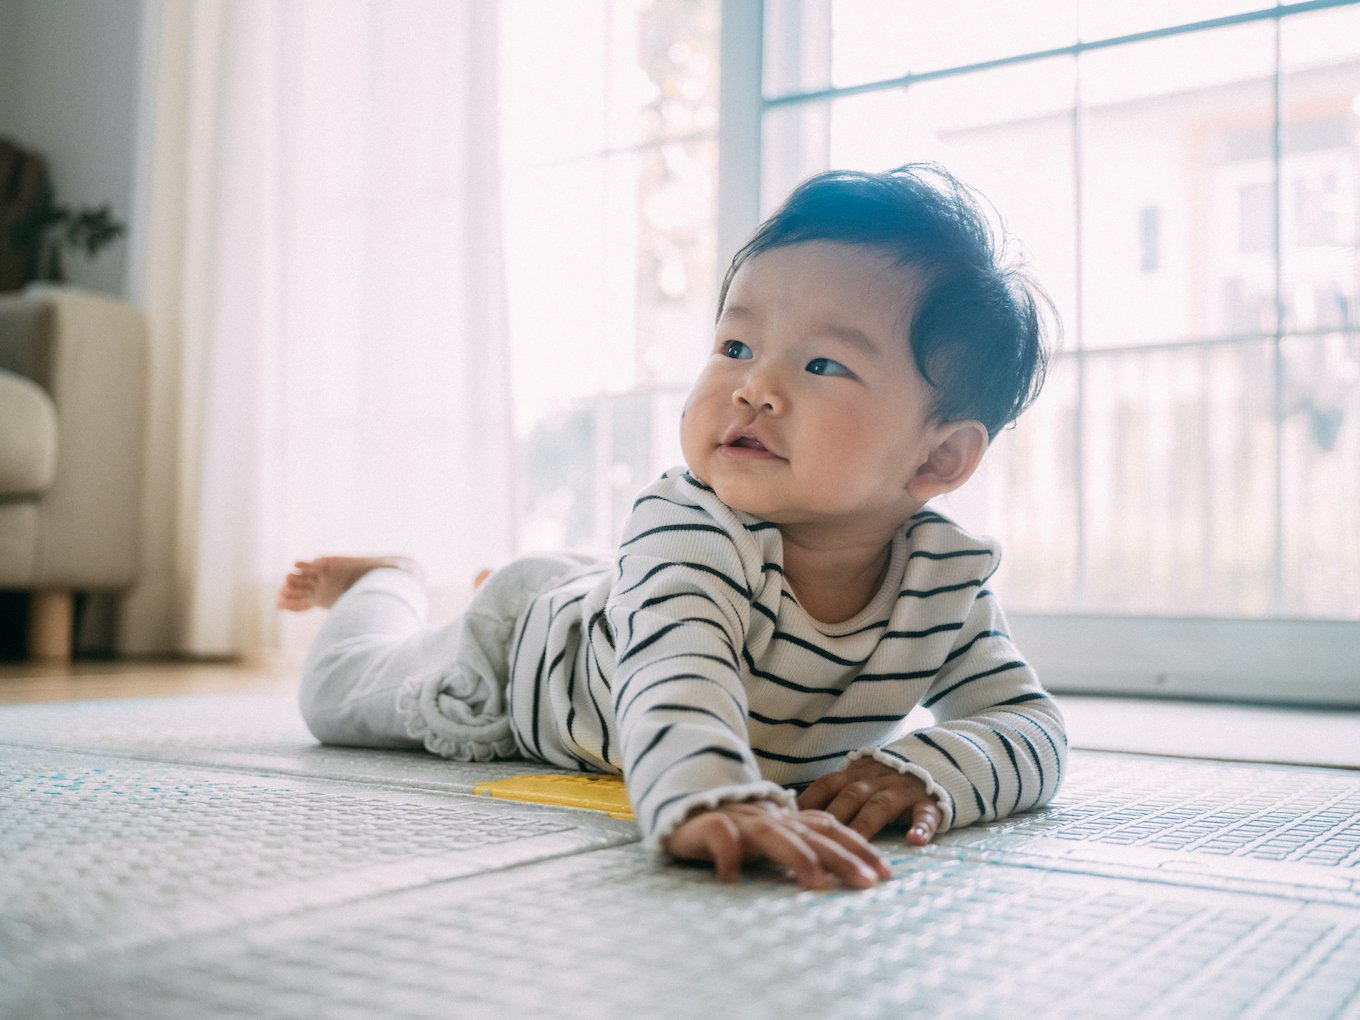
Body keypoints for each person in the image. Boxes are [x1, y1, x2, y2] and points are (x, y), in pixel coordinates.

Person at [278, 163, 1066, 891]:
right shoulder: (688, 528)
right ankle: (388, 582)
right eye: (736, 344)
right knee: (336, 697)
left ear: (939, 459)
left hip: (620, 595)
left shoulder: (943, 582)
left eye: (822, 365)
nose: (754, 387)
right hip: (521, 656)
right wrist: (710, 797)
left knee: (627, 590)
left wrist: (935, 768)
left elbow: (1032, 725)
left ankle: (557, 581)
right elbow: (677, 676)